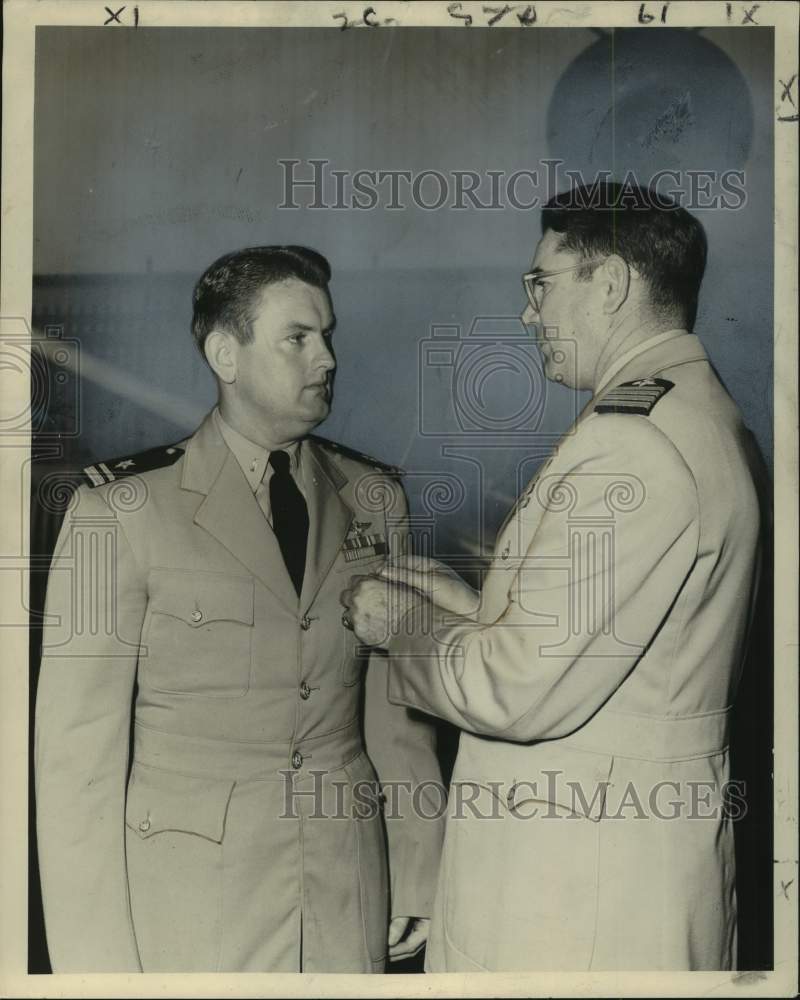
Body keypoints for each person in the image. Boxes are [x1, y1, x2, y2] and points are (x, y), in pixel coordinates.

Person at [343, 183, 764, 971]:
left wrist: (401, 625)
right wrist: (473, 610)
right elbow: (625, 646)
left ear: (611, 284)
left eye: (541, 284)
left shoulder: (632, 446)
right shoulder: (696, 415)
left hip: (578, 894)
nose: (528, 313)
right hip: (623, 866)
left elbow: (514, 689)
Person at [34, 245, 443, 972]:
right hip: (191, 901)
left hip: (345, 884)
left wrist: (417, 865)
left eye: (328, 335)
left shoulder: (374, 497)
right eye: (298, 338)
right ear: (226, 354)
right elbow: (76, 760)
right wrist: (94, 963)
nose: (327, 358)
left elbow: (396, 709)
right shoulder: (119, 510)